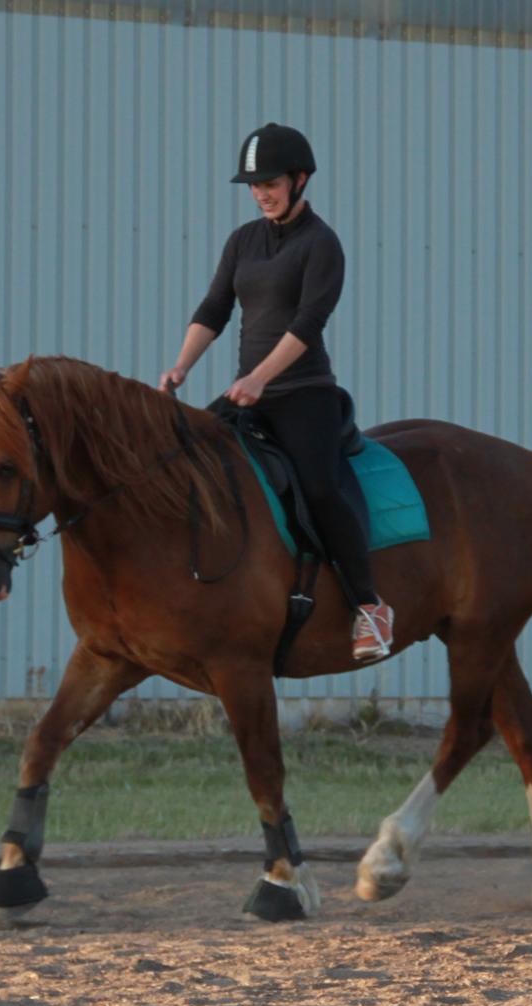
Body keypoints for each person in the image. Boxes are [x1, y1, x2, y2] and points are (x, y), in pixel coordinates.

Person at [158, 122, 393, 661]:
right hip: (248, 393)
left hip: (303, 393)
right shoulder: (243, 240)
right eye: (253, 184)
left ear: (300, 179)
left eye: (271, 182)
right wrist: (180, 367)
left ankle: (371, 608)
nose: (261, 192)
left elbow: (309, 322)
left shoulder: (322, 244)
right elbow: (215, 307)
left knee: (319, 487)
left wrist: (262, 376)